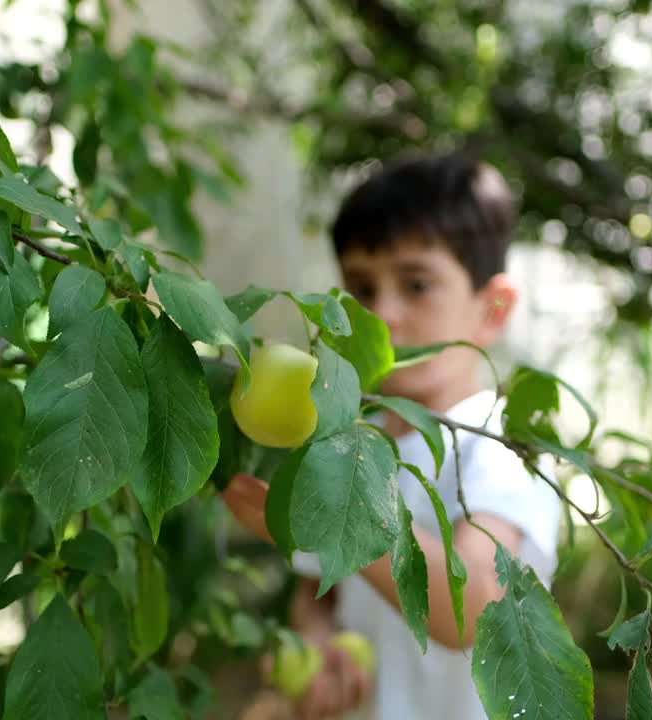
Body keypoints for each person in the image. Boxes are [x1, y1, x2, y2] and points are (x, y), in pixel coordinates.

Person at [222, 152, 562, 720]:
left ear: (493, 307)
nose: (381, 314)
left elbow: (473, 602)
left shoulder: (500, 444)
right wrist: (316, 643)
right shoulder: (343, 439)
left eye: (417, 284)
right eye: (360, 287)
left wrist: (344, 514)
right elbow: (316, 590)